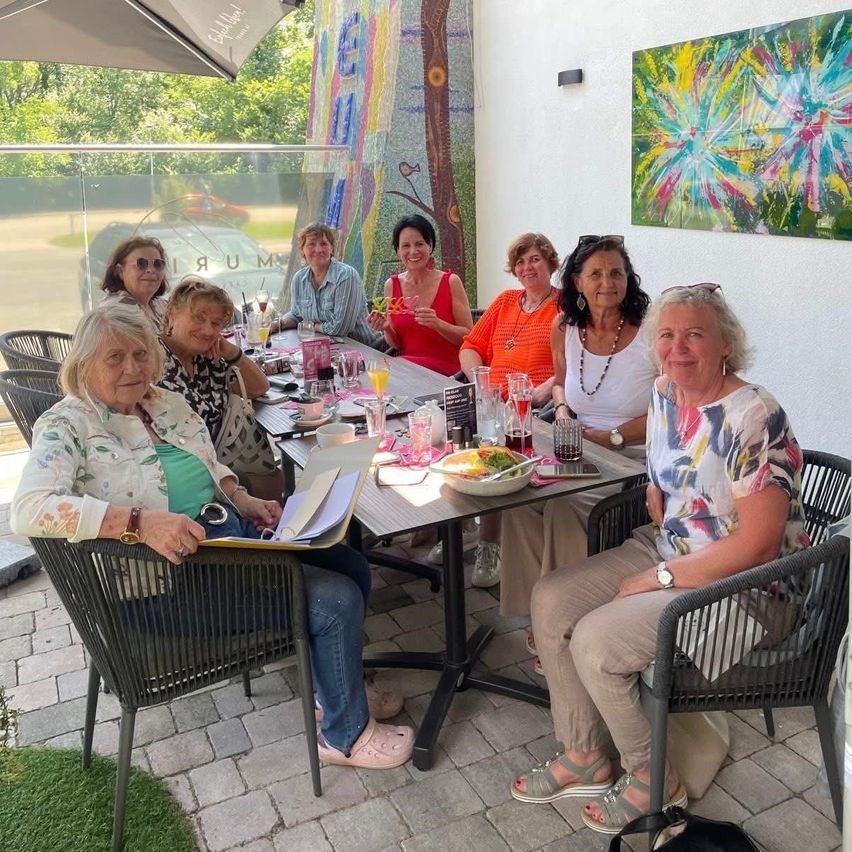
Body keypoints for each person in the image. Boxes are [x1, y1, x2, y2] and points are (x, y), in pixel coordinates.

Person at [11, 303, 413, 770]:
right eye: (114, 357)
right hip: (167, 580)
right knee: (334, 600)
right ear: (84, 365)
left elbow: (210, 465)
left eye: (141, 354)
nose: (132, 367)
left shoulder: (163, 403)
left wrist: (244, 500)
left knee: (351, 564)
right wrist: (138, 523)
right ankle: (345, 738)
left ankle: (338, 690)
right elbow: (29, 509)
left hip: (229, 541)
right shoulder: (67, 425)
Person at [511, 283, 810, 834]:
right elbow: (665, 462)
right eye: (668, 335)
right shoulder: (666, 393)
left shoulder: (755, 414)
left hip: (751, 587)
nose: (678, 347)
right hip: (670, 545)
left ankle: (654, 778)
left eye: (695, 334)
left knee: (599, 640)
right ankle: (585, 752)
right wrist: (654, 485)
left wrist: (660, 577)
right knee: (550, 599)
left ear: (726, 343)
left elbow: (761, 545)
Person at [500, 236, 656, 660]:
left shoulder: (649, 334)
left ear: (628, 279)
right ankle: (535, 612)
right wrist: (565, 411)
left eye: (616, 272)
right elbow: (560, 384)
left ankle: (566, 621)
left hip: (630, 460)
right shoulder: (564, 326)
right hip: (576, 449)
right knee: (518, 498)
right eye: (596, 274)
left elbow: (669, 410)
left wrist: (613, 437)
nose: (608, 281)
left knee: (560, 506)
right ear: (577, 283)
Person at [457, 232, 561, 587]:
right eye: (520, 262)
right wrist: (479, 381)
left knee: (493, 451)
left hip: (533, 407)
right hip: (490, 400)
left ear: (550, 262)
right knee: (448, 435)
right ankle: (460, 529)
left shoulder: (563, 308)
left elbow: (573, 366)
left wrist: (541, 392)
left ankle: (489, 545)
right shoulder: (505, 302)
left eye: (534, 259)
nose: (527, 267)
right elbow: (470, 345)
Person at [158, 277, 281, 501]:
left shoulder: (208, 359)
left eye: (216, 324)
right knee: (272, 485)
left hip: (222, 458)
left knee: (274, 481)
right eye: (199, 318)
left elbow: (259, 387)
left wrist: (231, 351)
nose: (207, 330)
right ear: (173, 313)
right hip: (183, 475)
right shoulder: (151, 359)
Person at [368, 214, 473, 376]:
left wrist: (438, 324)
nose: (413, 251)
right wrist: (386, 328)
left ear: (430, 246)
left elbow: (469, 337)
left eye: (419, 244)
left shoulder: (451, 281)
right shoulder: (391, 285)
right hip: (406, 370)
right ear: (397, 251)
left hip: (446, 375)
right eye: (405, 246)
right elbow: (396, 345)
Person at [276, 223, 378, 345]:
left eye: (324, 244)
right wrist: (279, 324)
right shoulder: (299, 279)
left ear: (331, 248)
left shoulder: (346, 276)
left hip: (364, 350)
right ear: (302, 250)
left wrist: (312, 326)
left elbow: (340, 329)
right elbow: (297, 315)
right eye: (311, 244)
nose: (318, 249)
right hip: (325, 349)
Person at [101, 236, 169, 328]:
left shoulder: (162, 306)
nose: (151, 270)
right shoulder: (115, 315)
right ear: (120, 271)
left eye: (158, 264)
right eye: (142, 263)